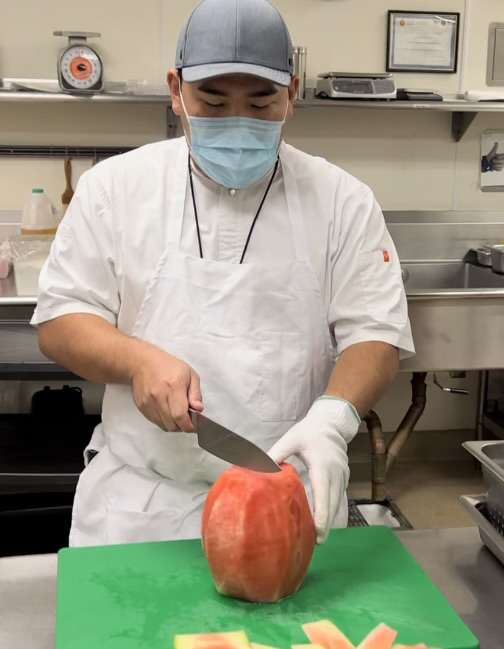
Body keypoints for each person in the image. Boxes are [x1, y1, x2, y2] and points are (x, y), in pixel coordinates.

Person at [33, 0, 414, 547]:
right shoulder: (114, 188)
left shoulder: (343, 201)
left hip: (286, 503)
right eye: (212, 102)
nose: (239, 124)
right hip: (141, 508)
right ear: (175, 90)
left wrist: (333, 419)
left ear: (293, 94)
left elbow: (376, 333)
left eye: (262, 104)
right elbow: (62, 320)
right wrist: (137, 360)